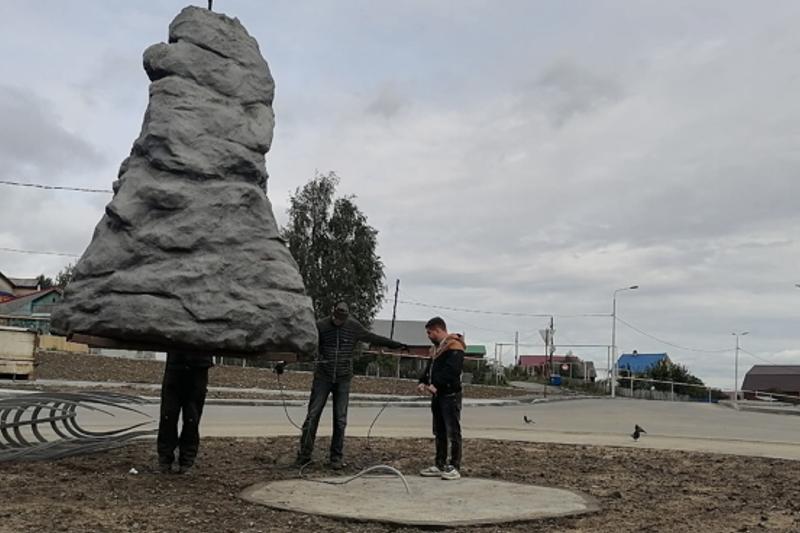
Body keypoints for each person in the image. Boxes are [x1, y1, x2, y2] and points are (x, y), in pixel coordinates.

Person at [296, 302, 408, 469]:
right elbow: (306, 344)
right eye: (336, 319)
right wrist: (286, 360)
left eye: (341, 320)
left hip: (343, 378)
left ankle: (336, 458)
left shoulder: (354, 326)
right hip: (323, 377)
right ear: (332, 313)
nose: (338, 322)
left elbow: (372, 337)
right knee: (313, 415)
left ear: (346, 317)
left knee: (340, 419)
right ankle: (304, 455)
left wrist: (396, 344)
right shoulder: (321, 326)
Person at [417, 316, 465, 481]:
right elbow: (430, 368)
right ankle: (440, 464)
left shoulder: (454, 346)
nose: (428, 336)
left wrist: (436, 384)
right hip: (438, 396)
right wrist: (423, 381)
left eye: (430, 333)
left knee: (453, 431)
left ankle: (454, 466)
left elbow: (453, 370)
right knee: (439, 431)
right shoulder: (436, 349)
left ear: (438, 330)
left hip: (450, 395)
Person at [157, 350, 213, 474]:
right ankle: (165, 460)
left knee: (192, 418)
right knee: (168, 415)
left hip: (198, 366)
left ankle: (187, 461)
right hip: (176, 365)